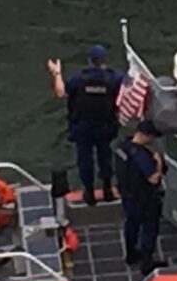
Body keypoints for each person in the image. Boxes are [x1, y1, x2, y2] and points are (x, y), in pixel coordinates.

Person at [47, 43, 122, 204]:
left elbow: (61, 92)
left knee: (84, 160)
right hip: (105, 126)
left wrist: (57, 73)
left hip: (83, 127)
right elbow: (127, 88)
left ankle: (89, 194)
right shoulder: (113, 77)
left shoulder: (79, 78)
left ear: (89, 60)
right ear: (104, 60)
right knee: (105, 157)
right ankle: (108, 190)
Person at [119, 116, 167, 273]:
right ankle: (147, 262)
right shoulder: (141, 155)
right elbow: (153, 179)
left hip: (127, 195)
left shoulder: (122, 147)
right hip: (144, 198)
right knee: (149, 228)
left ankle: (131, 254)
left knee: (131, 225)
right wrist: (159, 162)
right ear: (146, 136)